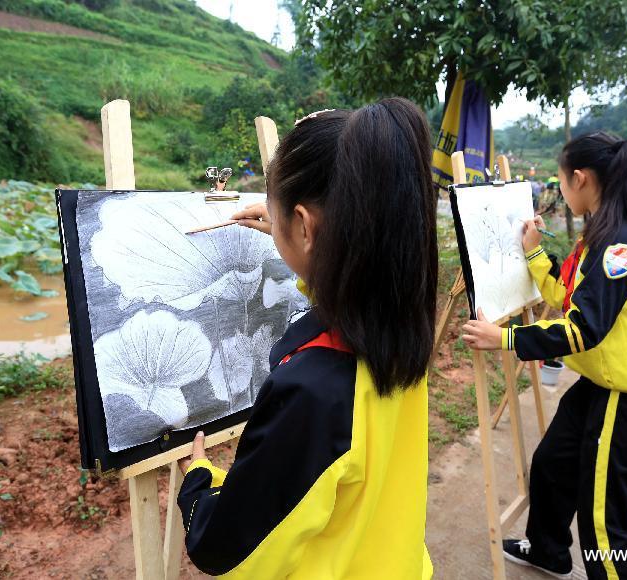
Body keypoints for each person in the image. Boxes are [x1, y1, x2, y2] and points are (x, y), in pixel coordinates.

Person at [175, 99, 437, 579]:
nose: (271, 225)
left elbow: (225, 548)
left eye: (276, 217)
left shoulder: (312, 391)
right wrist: (291, 238)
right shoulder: (399, 325)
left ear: (305, 225)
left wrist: (200, 483)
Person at [462, 132, 627, 579]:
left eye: (562, 182)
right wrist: (536, 255)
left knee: (603, 522)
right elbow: (574, 300)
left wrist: (505, 338)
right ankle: (548, 550)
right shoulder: (610, 229)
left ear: (580, 178)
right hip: (608, 382)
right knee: (552, 464)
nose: (559, 192)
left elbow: (584, 328)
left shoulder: (619, 243)